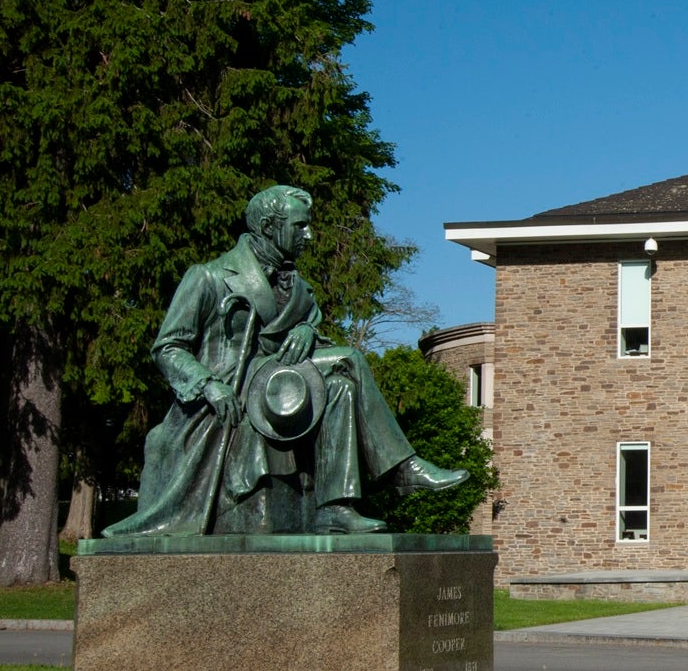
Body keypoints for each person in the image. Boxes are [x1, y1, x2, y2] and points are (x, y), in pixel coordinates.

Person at [103, 185, 466, 536]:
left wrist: (308, 331)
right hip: (232, 384)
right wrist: (208, 385)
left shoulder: (298, 287)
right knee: (351, 358)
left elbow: (309, 335)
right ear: (268, 227)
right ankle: (403, 467)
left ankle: (334, 509)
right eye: (300, 226)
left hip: (280, 383)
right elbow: (168, 348)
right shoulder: (209, 276)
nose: (309, 235)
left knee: (341, 387)